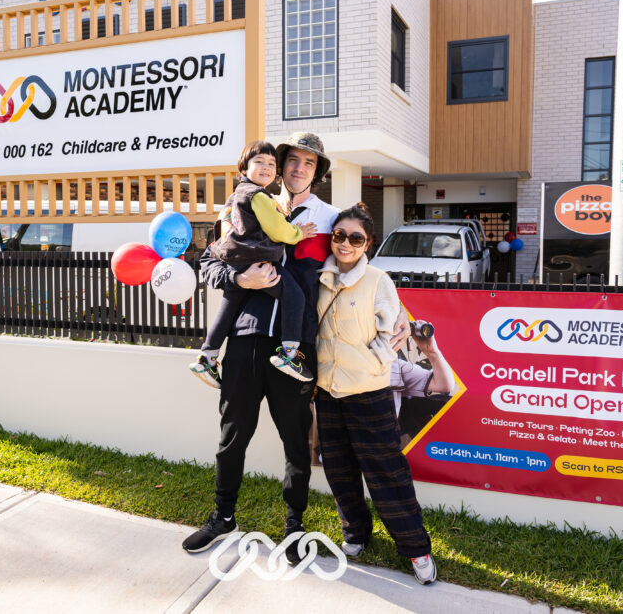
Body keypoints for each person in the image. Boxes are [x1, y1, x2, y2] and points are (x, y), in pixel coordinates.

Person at [181, 132, 409, 562]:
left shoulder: (329, 219)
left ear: (317, 172)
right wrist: (239, 279)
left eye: (309, 163)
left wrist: (402, 314)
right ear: (278, 164)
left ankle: (293, 525)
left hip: (297, 350)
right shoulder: (242, 205)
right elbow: (209, 262)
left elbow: (360, 273)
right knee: (232, 435)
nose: (299, 168)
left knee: (296, 442)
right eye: (292, 160)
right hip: (245, 340)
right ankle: (223, 516)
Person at [314, 202, 439, 585]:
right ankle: (355, 532)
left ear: (368, 243)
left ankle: (416, 547)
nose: (346, 243)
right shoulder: (319, 277)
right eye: (340, 235)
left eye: (356, 238)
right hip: (328, 391)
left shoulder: (378, 280)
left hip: (369, 392)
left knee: (386, 472)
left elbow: (391, 334)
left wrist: (373, 363)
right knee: (339, 469)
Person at [189, 141, 317, 389]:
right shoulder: (259, 196)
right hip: (257, 262)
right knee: (294, 296)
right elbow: (277, 229)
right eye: (259, 162)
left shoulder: (234, 197)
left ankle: (207, 357)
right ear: (244, 168)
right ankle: (289, 354)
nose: (266, 167)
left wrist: (235, 271)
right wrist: (298, 233)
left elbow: (221, 233)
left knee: (227, 309)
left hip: (235, 261)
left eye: (271, 164)